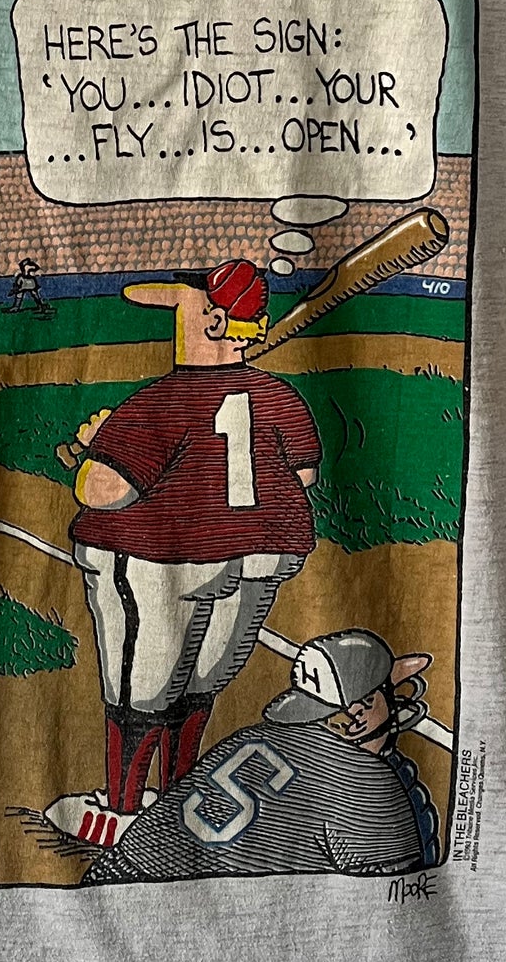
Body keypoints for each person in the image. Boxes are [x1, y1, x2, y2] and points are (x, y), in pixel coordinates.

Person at [45, 260, 319, 849]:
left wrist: (94, 446)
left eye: (182, 309)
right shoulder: (281, 397)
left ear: (215, 322)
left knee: (141, 688)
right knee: (200, 682)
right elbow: (304, 476)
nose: (173, 319)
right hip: (262, 559)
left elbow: (103, 490)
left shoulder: (159, 402)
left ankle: (122, 810)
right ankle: (179, 797)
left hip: (157, 560)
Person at [80, 628, 444, 885]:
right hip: (192, 917)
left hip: (117, 870)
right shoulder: (366, 781)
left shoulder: (252, 736)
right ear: (359, 711)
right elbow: (393, 896)